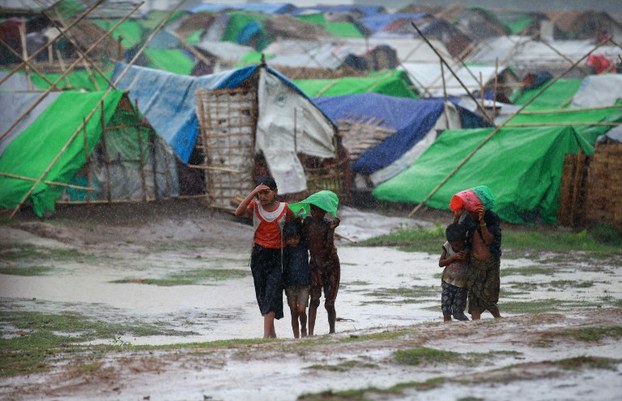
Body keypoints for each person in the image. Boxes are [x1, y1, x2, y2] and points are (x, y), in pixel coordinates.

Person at [235, 176, 294, 338]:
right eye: (260, 193)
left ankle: (266, 335)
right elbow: (238, 212)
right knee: (262, 293)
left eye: (266, 193)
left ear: (275, 192)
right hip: (258, 256)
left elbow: (295, 227)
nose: (262, 197)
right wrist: (253, 192)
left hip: (277, 257)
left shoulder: (285, 208)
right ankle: (272, 334)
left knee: (272, 292)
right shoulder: (254, 207)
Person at [290, 190, 340, 335]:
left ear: (324, 212)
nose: (313, 212)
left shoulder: (328, 225)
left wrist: (331, 231)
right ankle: (311, 333)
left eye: (317, 210)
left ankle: (332, 331)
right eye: (312, 209)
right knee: (315, 299)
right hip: (315, 265)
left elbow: (329, 248)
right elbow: (298, 237)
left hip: (331, 265)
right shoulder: (307, 223)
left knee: (329, 303)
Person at [451, 192, 502, 320]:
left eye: (473, 211)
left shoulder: (492, 218)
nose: (471, 213)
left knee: (488, 298)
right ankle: (476, 327)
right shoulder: (468, 218)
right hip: (474, 263)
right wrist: (456, 219)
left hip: (491, 263)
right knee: (474, 299)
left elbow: (489, 240)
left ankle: (498, 319)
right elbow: (455, 236)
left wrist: (482, 222)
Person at [282, 220, 311, 338]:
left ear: (300, 237)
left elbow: (305, 232)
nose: (293, 241)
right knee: (293, 311)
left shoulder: (304, 246)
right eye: (290, 239)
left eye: (295, 238)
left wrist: (301, 221)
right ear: (286, 239)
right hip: (290, 285)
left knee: (301, 310)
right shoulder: (285, 250)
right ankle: (296, 336)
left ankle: (304, 329)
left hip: (304, 284)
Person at [438, 223, 470, 322]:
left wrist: (466, 256)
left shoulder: (468, 247)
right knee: (446, 309)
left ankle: (469, 326)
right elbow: (441, 263)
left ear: (463, 240)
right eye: (454, 245)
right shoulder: (447, 246)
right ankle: (447, 329)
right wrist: (453, 257)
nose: (457, 246)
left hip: (462, 284)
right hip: (447, 281)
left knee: (458, 312)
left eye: (459, 244)